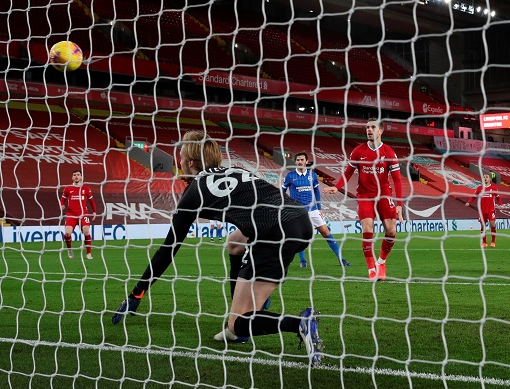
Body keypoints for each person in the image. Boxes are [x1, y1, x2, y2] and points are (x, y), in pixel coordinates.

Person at [111, 131, 323, 366]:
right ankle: (246, 310)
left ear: (190, 162)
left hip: (273, 229)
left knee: (238, 324)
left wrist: (138, 292)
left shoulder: (193, 192)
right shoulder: (238, 171)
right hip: (299, 220)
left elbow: (168, 249)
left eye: (180, 157)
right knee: (234, 243)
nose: (178, 162)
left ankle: (297, 323)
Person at [323, 118, 404, 281]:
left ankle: (381, 263)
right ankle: (371, 269)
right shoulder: (358, 151)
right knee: (367, 229)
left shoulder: (388, 152)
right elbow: (347, 172)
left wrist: (400, 204)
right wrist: (337, 187)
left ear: (381, 131)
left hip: (384, 195)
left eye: (373, 127)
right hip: (365, 195)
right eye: (367, 127)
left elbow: (397, 180)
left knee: (391, 230)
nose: (369, 130)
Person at [283, 152, 350, 268]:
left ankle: (341, 259)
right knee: (300, 236)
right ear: (295, 162)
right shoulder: (290, 176)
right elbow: (282, 191)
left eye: (302, 160)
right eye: (298, 160)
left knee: (326, 232)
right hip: (298, 211)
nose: (300, 162)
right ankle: (303, 261)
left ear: (306, 162)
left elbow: (317, 192)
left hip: (313, 209)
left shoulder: (312, 175)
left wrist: (319, 208)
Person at [60, 169, 97, 260]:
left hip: (83, 214)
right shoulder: (68, 188)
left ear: (81, 177)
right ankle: (70, 250)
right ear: (72, 177)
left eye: (78, 174)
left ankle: (88, 253)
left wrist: (94, 211)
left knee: (86, 231)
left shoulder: (86, 188)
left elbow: (91, 201)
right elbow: (62, 199)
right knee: (67, 233)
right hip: (71, 215)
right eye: (74, 175)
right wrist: (62, 204)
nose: (76, 176)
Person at [465, 173, 502, 248]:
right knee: (483, 225)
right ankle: (484, 243)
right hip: (482, 210)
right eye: (484, 177)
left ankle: (493, 242)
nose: (485, 178)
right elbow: (473, 197)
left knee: (492, 224)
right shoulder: (479, 188)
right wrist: (468, 202)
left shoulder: (494, 188)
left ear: (490, 179)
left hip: (491, 209)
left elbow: (498, 197)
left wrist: (500, 204)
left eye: (487, 177)